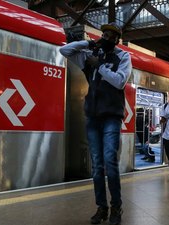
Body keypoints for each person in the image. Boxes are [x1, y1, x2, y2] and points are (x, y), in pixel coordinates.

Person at [60, 23, 132, 224]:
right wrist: (89, 42)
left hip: (111, 116)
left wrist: (99, 65)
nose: (107, 37)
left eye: (111, 35)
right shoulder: (90, 54)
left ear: (117, 39)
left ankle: (116, 207)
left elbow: (120, 81)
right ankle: (102, 207)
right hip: (92, 116)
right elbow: (64, 50)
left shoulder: (123, 57)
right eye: (104, 34)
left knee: (110, 161)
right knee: (97, 166)